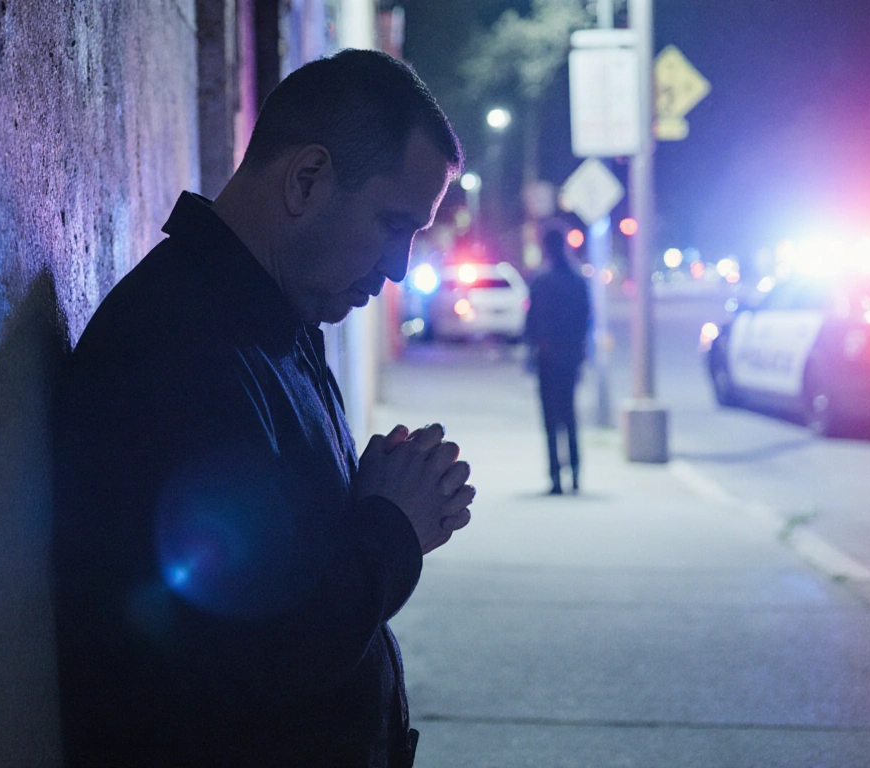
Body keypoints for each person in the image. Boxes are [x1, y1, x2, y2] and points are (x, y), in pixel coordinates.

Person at [51, 50, 472, 767]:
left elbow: (279, 572)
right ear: (307, 180)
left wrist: (367, 498)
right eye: (393, 224)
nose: (400, 266)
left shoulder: (274, 321)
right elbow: (255, 653)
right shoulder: (176, 347)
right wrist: (390, 527)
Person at [524, 227, 591, 495]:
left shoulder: (541, 280)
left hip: (547, 356)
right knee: (569, 415)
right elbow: (585, 317)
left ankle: (555, 477)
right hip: (570, 356)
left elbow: (531, 321)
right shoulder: (577, 279)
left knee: (550, 419)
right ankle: (575, 473)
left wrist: (532, 349)